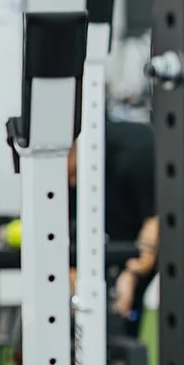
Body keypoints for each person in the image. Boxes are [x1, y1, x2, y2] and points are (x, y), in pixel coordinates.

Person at [68, 115, 158, 339]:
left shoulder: (136, 152)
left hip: (150, 236)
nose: (69, 182)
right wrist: (78, 286)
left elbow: (155, 222)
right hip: (113, 241)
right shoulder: (59, 179)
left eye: (71, 174)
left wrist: (133, 274)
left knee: (125, 326)